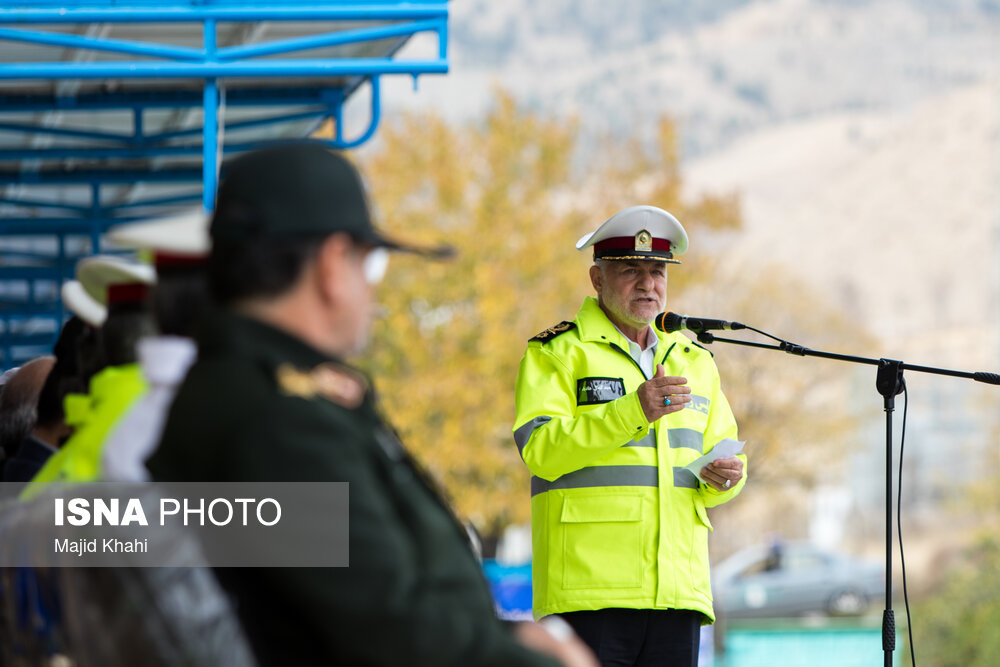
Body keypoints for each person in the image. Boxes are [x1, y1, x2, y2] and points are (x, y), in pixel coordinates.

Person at [147, 142, 596, 667]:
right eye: (370, 264)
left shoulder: (249, 392)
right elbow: (394, 634)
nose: (373, 293)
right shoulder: (282, 422)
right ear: (333, 266)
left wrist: (510, 640)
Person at [512, 205, 748, 667]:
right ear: (597, 280)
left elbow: (722, 461)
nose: (648, 284)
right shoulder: (557, 354)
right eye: (630, 271)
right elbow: (541, 451)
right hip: (589, 593)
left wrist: (726, 478)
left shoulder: (695, 361)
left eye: (657, 271)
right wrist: (633, 410)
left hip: (678, 594)